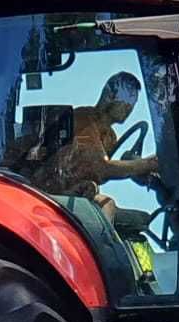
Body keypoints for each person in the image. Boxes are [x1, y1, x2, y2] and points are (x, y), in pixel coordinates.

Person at [29, 71, 162, 220]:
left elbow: (97, 172)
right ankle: (107, 243)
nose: (129, 108)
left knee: (138, 220)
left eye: (132, 103)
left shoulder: (110, 137)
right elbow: (102, 168)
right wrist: (149, 164)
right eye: (126, 101)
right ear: (109, 96)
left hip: (77, 191)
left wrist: (136, 170)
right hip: (49, 190)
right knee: (107, 204)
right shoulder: (83, 119)